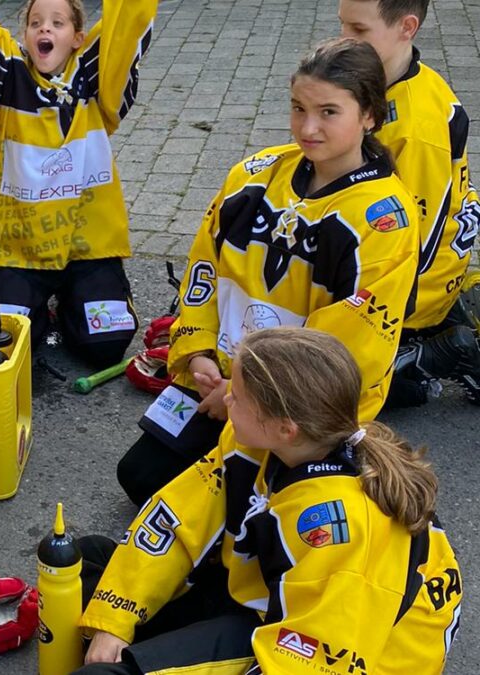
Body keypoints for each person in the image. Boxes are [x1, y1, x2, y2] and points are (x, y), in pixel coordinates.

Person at [115, 38, 420, 506]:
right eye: (298, 108)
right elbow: (204, 272)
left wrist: (245, 392)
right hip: (216, 377)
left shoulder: (384, 219)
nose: (308, 127)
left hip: (294, 404)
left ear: (370, 116)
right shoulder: (252, 175)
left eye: (329, 112)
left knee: (249, 514)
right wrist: (196, 353)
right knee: (139, 477)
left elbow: (345, 348)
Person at [78, 327, 461, 674]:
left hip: (332, 652)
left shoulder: (339, 523)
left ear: (285, 428)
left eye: (239, 398)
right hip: (267, 598)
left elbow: (320, 660)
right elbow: (177, 519)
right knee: (82, 562)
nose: (226, 398)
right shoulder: (266, 440)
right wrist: (114, 618)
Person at [0, 0, 158, 368]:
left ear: (77, 38)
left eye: (57, 23)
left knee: (106, 345)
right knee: (3, 349)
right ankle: (39, 310)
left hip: (89, 247)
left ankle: (72, 302)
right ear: (25, 36)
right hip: (19, 248)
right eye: (35, 22)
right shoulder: (11, 76)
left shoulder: (96, 77)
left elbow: (125, 23)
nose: (44, 29)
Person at [339, 0, 480, 407]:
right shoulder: (388, 80)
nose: (344, 40)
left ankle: (436, 352)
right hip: (404, 251)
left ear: (407, 27)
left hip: (416, 283)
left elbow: (413, 245)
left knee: (325, 393)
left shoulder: (414, 128)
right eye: (342, 25)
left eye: (359, 31)